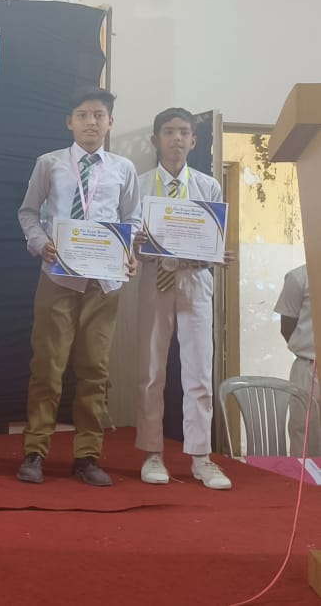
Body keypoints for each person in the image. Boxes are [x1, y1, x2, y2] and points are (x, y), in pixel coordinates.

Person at [16, 87, 140, 486]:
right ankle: (36, 451)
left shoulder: (123, 168)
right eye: (83, 115)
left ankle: (87, 456)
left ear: (110, 122)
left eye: (99, 115)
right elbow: (28, 212)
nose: (91, 122)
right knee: (47, 369)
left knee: (95, 371)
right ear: (70, 121)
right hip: (58, 277)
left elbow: (132, 220)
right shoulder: (49, 163)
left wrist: (129, 253)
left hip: (104, 284)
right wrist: (41, 243)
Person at [134, 108, 232, 489]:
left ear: (194, 141)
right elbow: (130, 240)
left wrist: (215, 253)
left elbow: (214, 240)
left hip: (195, 280)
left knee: (199, 371)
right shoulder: (139, 185)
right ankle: (152, 453)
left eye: (184, 132)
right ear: (155, 139)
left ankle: (201, 457)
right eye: (169, 132)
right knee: (151, 371)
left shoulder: (209, 187)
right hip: (154, 277)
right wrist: (136, 243)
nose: (177, 138)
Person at [276, 265, 320, 456]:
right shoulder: (298, 277)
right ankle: (304, 475)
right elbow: (287, 327)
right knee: (304, 435)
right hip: (308, 367)